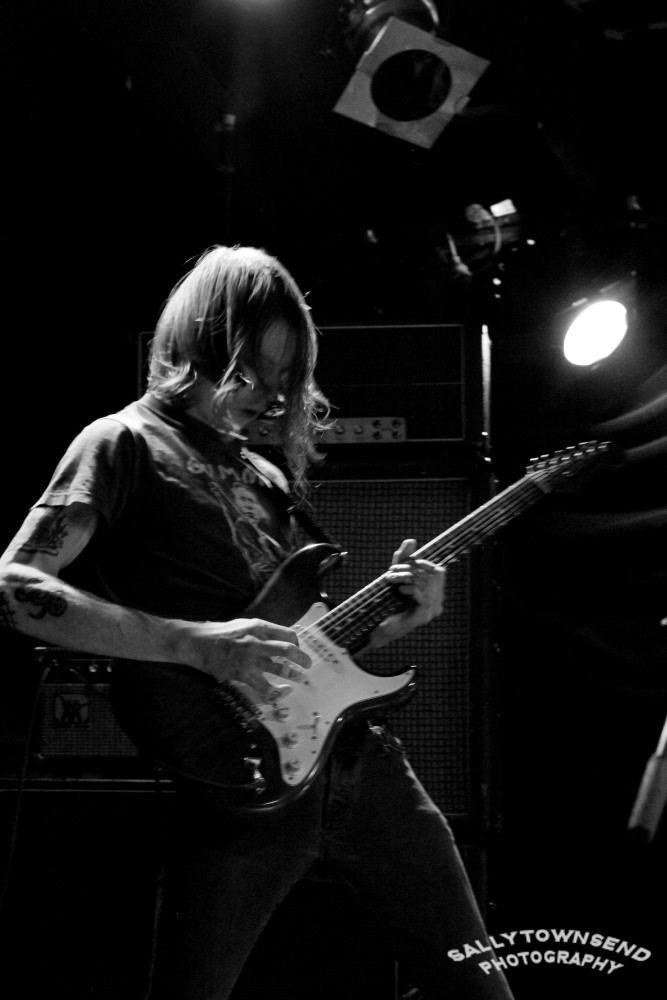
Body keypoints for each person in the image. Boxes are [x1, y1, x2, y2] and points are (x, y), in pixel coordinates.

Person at [0, 245, 514, 1000]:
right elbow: (16, 588)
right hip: (237, 780)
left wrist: (394, 622)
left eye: (284, 379)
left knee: (479, 990)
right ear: (198, 345)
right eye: (251, 371)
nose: (269, 397)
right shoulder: (120, 443)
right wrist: (194, 645)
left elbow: (297, 636)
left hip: (362, 767)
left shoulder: (264, 472)